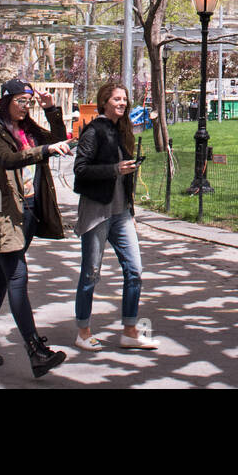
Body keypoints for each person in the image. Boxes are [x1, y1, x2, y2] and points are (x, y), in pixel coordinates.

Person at [0, 79, 71, 378]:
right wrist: (45, 151)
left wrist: (50, 109)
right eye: (20, 100)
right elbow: (8, 159)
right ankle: (35, 350)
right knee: (16, 276)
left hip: (26, 207)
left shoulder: (26, 127)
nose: (25, 106)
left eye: (29, 101)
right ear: (5, 101)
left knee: (2, 277)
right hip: (0, 206)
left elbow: (58, 138)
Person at [72, 81, 155, 351]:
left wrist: (131, 210)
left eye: (125, 99)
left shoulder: (121, 131)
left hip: (120, 213)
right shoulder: (94, 131)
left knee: (135, 271)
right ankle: (83, 332)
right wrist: (114, 169)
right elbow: (80, 169)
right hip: (97, 212)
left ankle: (129, 330)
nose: (122, 103)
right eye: (117, 99)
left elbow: (124, 174)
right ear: (104, 101)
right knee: (90, 274)